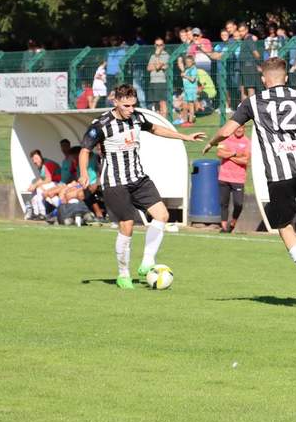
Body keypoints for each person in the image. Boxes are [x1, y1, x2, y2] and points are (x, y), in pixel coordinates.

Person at [202, 57, 296, 308]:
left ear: (263, 79)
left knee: (285, 228)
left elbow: (226, 132)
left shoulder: (253, 103)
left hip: (279, 176)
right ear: (286, 77)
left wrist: (212, 142)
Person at [78, 85, 205, 289]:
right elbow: (85, 150)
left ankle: (147, 262)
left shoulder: (136, 117)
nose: (130, 109)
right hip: (115, 182)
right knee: (127, 225)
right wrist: (84, 173)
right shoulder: (101, 124)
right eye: (126, 105)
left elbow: (154, 128)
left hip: (138, 178)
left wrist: (184, 136)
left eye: (133, 105)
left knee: (162, 215)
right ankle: (123, 274)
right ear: (115, 102)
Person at [217, 125, 251, 233]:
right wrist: (235, 154)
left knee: (239, 204)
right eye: (237, 128)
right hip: (224, 176)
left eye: (241, 128)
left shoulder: (247, 142)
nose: (239, 130)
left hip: (238, 178)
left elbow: (245, 160)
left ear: (244, 129)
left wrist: (228, 156)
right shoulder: (225, 139)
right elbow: (219, 153)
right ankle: (223, 227)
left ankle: (233, 222)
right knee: (224, 203)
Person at [146, 39, 171, 117]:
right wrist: (157, 65)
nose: (158, 47)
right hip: (152, 81)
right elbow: (148, 68)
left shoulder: (165, 55)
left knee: (162, 102)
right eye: (157, 45)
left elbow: (157, 66)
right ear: (154, 45)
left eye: (160, 45)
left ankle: (164, 120)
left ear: (163, 46)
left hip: (161, 81)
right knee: (155, 102)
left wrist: (157, 57)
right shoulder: (153, 55)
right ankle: (158, 120)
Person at [180, 55, 199, 126]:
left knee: (191, 105)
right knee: (184, 106)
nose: (187, 63)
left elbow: (192, 79)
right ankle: (185, 120)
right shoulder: (187, 69)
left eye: (189, 62)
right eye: (186, 62)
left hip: (191, 90)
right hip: (186, 90)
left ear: (192, 62)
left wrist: (184, 76)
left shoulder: (194, 69)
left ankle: (190, 121)